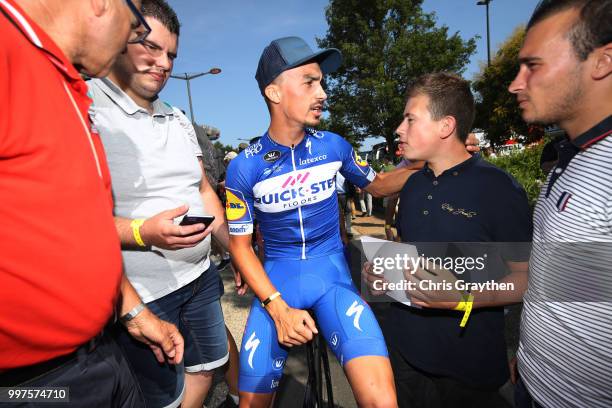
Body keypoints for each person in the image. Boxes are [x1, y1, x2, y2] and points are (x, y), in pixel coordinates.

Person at [0, 0, 184, 405]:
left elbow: (81, 225)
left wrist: (133, 313)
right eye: (136, 29)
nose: (128, 43)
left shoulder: (65, 79)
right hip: (31, 384)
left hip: (102, 353)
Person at [225, 36, 423, 407]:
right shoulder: (244, 166)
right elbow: (239, 246)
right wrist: (278, 309)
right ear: (275, 92)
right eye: (309, 82)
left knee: (383, 400)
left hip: (332, 279)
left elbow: (377, 185)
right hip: (277, 287)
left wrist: (427, 162)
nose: (323, 93)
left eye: (322, 82)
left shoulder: (334, 145)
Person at [87, 1, 240, 407]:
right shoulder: (86, 107)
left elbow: (204, 191)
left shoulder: (178, 119)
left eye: (171, 54)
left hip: (200, 279)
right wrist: (142, 232)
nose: (163, 63)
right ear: (120, 40)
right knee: (158, 397)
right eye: (150, 47)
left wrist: (235, 249)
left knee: (207, 366)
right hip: (140, 294)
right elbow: (72, 218)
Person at [363, 73, 532, 408]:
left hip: (468, 371)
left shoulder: (498, 188)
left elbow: (527, 279)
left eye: (410, 119)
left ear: (446, 126)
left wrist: (463, 297)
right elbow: (415, 258)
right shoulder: (411, 188)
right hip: (405, 358)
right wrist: (382, 273)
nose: (399, 128)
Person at [507, 1, 612, 407]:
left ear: (602, 61)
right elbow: (553, 280)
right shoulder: (568, 158)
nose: (516, 84)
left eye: (533, 65)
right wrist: (530, 359)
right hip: (533, 383)